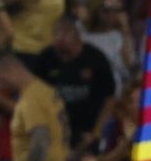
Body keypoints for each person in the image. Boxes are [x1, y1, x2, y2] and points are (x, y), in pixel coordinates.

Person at [33, 16, 115, 146]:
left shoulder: (95, 59)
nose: (60, 38)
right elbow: (34, 96)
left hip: (86, 130)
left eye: (65, 32)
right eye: (56, 33)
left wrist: (96, 132)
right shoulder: (45, 58)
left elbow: (109, 98)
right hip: (52, 130)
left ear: (77, 36)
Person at [0, 50, 68, 161]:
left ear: (10, 71)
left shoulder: (31, 99)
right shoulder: (44, 90)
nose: (0, 86)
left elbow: (40, 139)